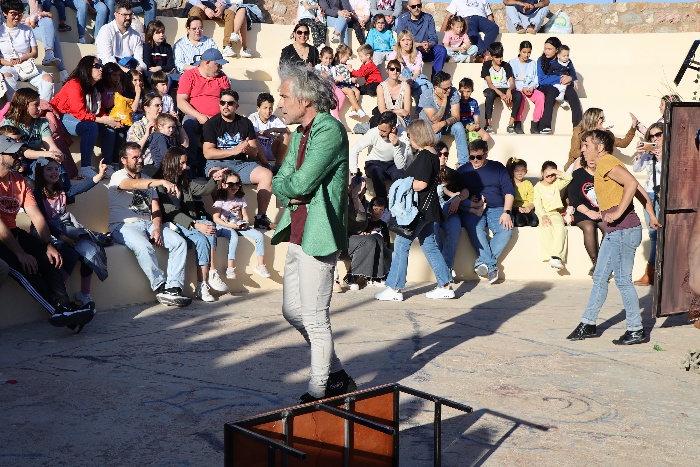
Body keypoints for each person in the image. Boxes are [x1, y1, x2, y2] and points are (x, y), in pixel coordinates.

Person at [272, 64, 356, 404]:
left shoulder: (330, 130)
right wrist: (287, 188)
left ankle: (318, 391)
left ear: (305, 99)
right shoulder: (302, 132)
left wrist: (291, 186)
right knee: (293, 312)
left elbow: (302, 182)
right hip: (297, 232)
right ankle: (336, 375)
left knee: (315, 319)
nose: (279, 103)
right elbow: (283, 181)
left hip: (318, 235)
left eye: (284, 96)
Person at [567, 130, 660, 345]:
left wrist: (618, 213)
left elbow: (631, 184)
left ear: (599, 147)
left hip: (622, 231)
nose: (582, 149)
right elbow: (635, 187)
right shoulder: (607, 164)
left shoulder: (606, 161)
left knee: (622, 280)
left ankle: (636, 329)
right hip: (616, 231)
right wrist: (651, 214)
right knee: (600, 277)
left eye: (586, 144)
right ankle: (588, 324)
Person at [0, 135, 95, 330]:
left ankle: (66, 307)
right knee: (25, 267)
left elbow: (37, 217)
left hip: (12, 232)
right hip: (1, 236)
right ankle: (61, 313)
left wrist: (47, 245)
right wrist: (20, 253)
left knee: (48, 257)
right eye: (14, 153)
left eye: (20, 153)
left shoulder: (19, 181)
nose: (19, 157)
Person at [375, 119, 454, 301]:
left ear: (418, 135)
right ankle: (445, 285)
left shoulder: (426, 156)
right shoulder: (432, 155)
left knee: (402, 245)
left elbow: (421, 184)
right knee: (430, 246)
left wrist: (402, 184)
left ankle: (394, 288)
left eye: (410, 136)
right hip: (427, 209)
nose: (409, 139)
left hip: (418, 210)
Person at [108, 142, 192, 307]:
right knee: (143, 246)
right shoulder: (118, 176)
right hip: (123, 226)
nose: (140, 160)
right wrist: (161, 181)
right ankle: (161, 287)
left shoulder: (147, 178)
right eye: (135, 157)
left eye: (140, 156)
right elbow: (132, 185)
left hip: (148, 225)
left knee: (179, 243)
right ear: (124, 160)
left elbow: (156, 209)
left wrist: (157, 228)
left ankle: (173, 288)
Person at [155, 147, 230, 302]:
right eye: (182, 163)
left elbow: (202, 190)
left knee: (210, 227)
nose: (184, 167)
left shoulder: (183, 179)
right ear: (172, 162)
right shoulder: (159, 182)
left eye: (185, 163)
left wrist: (215, 179)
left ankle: (209, 275)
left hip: (187, 220)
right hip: (171, 223)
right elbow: (170, 211)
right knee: (201, 239)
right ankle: (202, 284)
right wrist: (195, 225)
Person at [33, 157, 109, 307]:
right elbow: (44, 222)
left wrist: (99, 176)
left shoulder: (61, 192)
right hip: (46, 235)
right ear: (40, 172)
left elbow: (79, 188)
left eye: (56, 169)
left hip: (64, 233)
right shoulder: (36, 195)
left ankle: (85, 294)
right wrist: (63, 237)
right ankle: (59, 292)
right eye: (49, 169)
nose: (54, 172)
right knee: (70, 254)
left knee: (90, 252)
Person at [202, 89, 275, 230]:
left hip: (241, 164)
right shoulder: (212, 124)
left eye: (230, 103)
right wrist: (234, 150)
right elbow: (208, 153)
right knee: (218, 176)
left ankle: (261, 217)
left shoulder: (245, 123)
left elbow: (254, 152)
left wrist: (247, 149)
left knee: (267, 174)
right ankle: (223, 218)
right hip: (218, 163)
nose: (226, 106)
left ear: (237, 106)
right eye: (222, 102)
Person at [50, 56, 124, 171]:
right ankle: (85, 167)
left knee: (110, 129)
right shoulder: (74, 84)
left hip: (81, 117)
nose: (101, 69)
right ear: (87, 68)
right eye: (97, 66)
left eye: (102, 66)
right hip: (62, 117)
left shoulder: (95, 89)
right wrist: (103, 120)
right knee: (90, 127)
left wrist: (110, 120)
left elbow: (100, 112)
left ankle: (107, 166)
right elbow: (80, 113)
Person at [457, 139, 515, 284]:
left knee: (507, 229)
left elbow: (508, 190)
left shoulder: (497, 168)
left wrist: (507, 212)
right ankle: (491, 267)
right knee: (475, 228)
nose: (475, 160)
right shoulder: (464, 170)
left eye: (479, 157)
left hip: (496, 207)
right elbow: (454, 192)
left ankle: (483, 263)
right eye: (472, 157)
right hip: (473, 208)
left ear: (486, 154)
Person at [177, 48, 231, 175]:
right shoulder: (189, 75)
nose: (220, 67)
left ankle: (223, 163)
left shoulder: (222, 77)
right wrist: (199, 115)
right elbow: (181, 101)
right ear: (207, 62)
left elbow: (228, 98)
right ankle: (191, 164)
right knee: (188, 123)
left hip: (218, 118)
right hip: (195, 116)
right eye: (218, 64)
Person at [433, 140, 484, 273]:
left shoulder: (452, 174)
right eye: (440, 154)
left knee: (455, 228)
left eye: (446, 154)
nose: (443, 156)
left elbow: (465, 190)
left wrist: (458, 198)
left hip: (451, 211)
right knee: (433, 230)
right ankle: (442, 268)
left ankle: (446, 267)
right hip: (432, 213)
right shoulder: (427, 172)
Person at [212, 169, 271, 280]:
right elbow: (215, 218)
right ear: (223, 185)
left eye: (237, 184)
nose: (234, 187)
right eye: (231, 184)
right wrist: (229, 226)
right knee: (234, 237)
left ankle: (260, 265)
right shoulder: (220, 200)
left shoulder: (240, 199)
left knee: (259, 236)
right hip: (224, 227)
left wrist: (245, 223)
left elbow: (245, 215)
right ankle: (230, 268)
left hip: (237, 225)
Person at [0, 88, 66, 176]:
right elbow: (20, 151)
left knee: (55, 165)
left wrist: (58, 155)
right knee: (36, 168)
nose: (40, 108)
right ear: (23, 106)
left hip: (37, 158)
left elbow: (51, 146)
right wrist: (47, 154)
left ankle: (64, 189)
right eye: (36, 105)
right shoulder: (9, 124)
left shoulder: (42, 123)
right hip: (17, 160)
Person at [0, 0, 55, 102]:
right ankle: (16, 109)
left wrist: (21, 59)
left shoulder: (27, 30)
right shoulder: (0, 31)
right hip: (8, 66)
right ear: (5, 13)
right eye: (13, 14)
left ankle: (42, 108)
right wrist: (9, 63)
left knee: (48, 79)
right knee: (6, 76)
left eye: (20, 13)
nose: (17, 17)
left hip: (27, 66)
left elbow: (34, 53)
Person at [350, 111, 410, 200]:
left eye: (384, 131)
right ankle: (382, 203)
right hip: (374, 163)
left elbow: (400, 166)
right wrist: (353, 172)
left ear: (393, 128)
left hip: (392, 164)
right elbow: (355, 148)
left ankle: (398, 203)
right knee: (376, 172)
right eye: (379, 129)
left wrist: (396, 145)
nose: (380, 133)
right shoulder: (373, 132)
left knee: (400, 175)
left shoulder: (403, 135)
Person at [632, 123, 663, 286]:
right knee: (653, 232)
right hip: (649, 193)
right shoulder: (648, 154)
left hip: (665, 194)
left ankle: (657, 271)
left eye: (658, 134)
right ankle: (651, 272)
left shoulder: (672, 151)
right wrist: (639, 154)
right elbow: (637, 168)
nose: (655, 138)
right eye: (652, 136)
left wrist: (661, 158)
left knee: (662, 234)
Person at [345, 179, 390, 288]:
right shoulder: (347, 201)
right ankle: (352, 276)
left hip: (361, 239)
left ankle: (377, 276)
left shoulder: (364, 202)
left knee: (376, 238)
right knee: (369, 240)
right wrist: (355, 197)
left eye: (363, 189)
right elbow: (360, 218)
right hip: (345, 239)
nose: (361, 191)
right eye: (358, 188)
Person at [419, 70, 469, 166]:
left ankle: (463, 163)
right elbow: (434, 119)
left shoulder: (453, 92)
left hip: (445, 124)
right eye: (445, 89)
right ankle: (430, 163)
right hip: (429, 126)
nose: (449, 91)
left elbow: (456, 116)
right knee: (436, 133)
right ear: (435, 87)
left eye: (450, 87)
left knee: (459, 126)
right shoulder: (426, 95)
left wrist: (443, 123)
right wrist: (445, 100)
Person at [564, 108, 637, 172]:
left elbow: (623, 143)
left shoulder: (603, 134)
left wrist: (633, 127)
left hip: (596, 167)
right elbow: (574, 152)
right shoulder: (579, 131)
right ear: (593, 119)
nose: (604, 120)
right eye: (602, 118)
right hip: (580, 166)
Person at [536, 36, 582, 134]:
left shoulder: (565, 59)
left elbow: (571, 73)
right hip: (546, 87)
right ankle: (544, 126)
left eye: (549, 49)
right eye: (545, 48)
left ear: (557, 50)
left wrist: (571, 78)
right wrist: (560, 78)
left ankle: (578, 127)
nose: (546, 51)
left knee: (573, 95)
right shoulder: (541, 60)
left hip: (564, 86)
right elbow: (542, 80)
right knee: (552, 91)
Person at [568, 153, 604, 276]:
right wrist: (589, 212)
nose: (591, 160)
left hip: (602, 212)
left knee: (609, 229)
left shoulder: (604, 175)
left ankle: (601, 263)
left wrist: (602, 212)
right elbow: (573, 198)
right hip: (583, 212)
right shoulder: (578, 174)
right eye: (589, 157)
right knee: (589, 227)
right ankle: (596, 263)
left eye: (594, 157)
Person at [533, 161, 572, 270]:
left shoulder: (556, 184)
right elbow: (538, 204)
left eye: (552, 174)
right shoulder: (537, 187)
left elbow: (568, 178)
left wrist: (556, 171)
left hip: (555, 212)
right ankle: (552, 257)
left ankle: (556, 257)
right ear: (542, 173)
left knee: (560, 228)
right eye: (547, 173)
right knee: (546, 229)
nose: (550, 176)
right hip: (543, 213)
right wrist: (543, 216)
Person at [395, 0, 446, 78]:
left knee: (441, 50)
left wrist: (429, 45)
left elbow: (434, 38)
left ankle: (436, 80)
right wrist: (420, 45)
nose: (416, 8)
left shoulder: (428, 18)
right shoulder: (402, 19)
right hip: (410, 51)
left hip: (426, 51)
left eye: (419, 5)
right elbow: (401, 40)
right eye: (413, 6)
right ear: (408, 7)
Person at [481, 42, 524, 134]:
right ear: (492, 56)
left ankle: (510, 125)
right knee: (491, 94)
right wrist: (502, 95)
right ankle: (488, 125)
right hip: (491, 89)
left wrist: (509, 90)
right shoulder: (487, 65)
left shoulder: (506, 66)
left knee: (519, 95)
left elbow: (512, 83)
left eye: (501, 56)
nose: (500, 59)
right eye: (497, 57)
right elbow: (490, 84)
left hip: (504, 88)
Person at [95, 0, 146, 73]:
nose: (128, 18)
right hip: (110, 70)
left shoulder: (136, 35)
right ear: (116, 14)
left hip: (130, 68)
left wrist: (138, 70)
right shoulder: (105, 30)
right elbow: (108, 60)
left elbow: (139, 59)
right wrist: (128, 72)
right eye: (125, 15)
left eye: (130, 14)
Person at [248, 92, 290, 171]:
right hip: (258, 153)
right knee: (253, 138)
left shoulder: (274, 119)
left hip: (271, 150)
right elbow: (246, 135)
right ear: (258, 108)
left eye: (270, 108)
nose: (268, 111)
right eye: (265, 108)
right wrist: (263, 134)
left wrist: (272, 129)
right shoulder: (252, 118)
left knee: (285, 136)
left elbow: (288, 131)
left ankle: (278, 165)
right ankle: (266, 164)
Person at [387, 30, 430, 106]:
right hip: (399, 80)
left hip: (413, 80)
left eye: (408, 40)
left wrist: (411, 80)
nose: (406, 43)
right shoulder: (393, 55)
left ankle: (419, 113)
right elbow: (392, 74)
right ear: (399, 42)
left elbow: (417, 72)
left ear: (412, 41)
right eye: (403, 40)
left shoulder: (417, 54)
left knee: (424, 88)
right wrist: (406, 81)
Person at [509, 40, 544, 134]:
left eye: (529, 52)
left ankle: (535, 124)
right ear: (519, 51)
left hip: (530, 89)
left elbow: (535, 79)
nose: (526, 55)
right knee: (520, 97)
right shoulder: (512, 63)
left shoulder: (532, 63)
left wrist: (532, 86)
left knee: (540, 96)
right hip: (519, 89)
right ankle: (517, 123)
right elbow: (512, 80)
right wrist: (522, 88)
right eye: (524, 52)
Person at [374, 59, 410, 129]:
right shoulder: (381, 87)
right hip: (385, 119)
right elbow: (382, 111)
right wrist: (400, 111)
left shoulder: (406, 86)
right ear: (387, 71)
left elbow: (406, 112)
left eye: (398, 69)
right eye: (392, 69)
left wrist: (389, 111)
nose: (395, 72)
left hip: (400, 120)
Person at [332, 44, 364, 119]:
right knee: (350, 91)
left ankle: (353, 110)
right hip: (341, 85)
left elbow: (349, 76)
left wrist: (354, 81)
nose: (348, 58)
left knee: (357, 91)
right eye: (347, 56)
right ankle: (358, 109)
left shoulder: (346, 65)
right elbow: (341, 78)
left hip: (348, 84)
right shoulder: (336, 67)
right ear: (341, 55)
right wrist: (350, 80)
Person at [143, 20, 179, 85]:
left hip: (165, 75)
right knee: (165, 79)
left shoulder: (167, 47)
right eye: (158, 33)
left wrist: (160, 68)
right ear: (151, 33)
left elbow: (171, 66)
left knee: (181, 78)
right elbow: (148, 66)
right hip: (152, 76)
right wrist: (163, 72)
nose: (161, 35)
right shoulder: (147, 47)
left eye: (162, 32)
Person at [315, 46, 346, 120]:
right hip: (324, 87)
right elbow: (316, 79)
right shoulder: (318, 67)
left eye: (330, 58)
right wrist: (323, 76)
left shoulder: (332, 68)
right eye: (326, 58)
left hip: (333, 86)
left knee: (342, 96)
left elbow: (334, 81)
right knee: (334, 98)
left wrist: (338, 79)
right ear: (320, 57)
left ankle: (335, 113)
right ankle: (336, 116)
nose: (328, 61)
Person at [506, 157, 538, 227]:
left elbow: (532, 199)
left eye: (523, 170)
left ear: (526, 171)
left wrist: (529, 207)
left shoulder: (528, 183)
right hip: (515, 208)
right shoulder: (509, 183)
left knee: (534, 222)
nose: (520, 173)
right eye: (517, 171)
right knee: (519, 223)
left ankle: (526, 218)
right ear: (512, 171)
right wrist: (516, 207)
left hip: (526, 208)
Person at [457, 77, 490, 143]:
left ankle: (480, 152)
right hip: (461, 126)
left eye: (468, 91)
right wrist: (466, 126)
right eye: (463, 91)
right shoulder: (457, 102)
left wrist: (476, 125)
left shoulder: (474, 102)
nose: (465, 94)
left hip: (472, 125)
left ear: (472, 90)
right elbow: (456, 119)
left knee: (486, 136)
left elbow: (476, 119)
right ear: (459, 90)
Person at [548, 45, 577, 109]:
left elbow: (573, 72)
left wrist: (575, 80)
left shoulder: (569, 64)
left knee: (564, 86)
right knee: (557, 87)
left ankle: (561, 97)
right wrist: (552, 78)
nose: (566, 57)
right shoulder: (554, 64)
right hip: (556, 82)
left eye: (567, 55)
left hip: (565, 81)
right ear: (558, 56)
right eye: (564, 56)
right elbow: (549, 73)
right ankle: (561, 101)